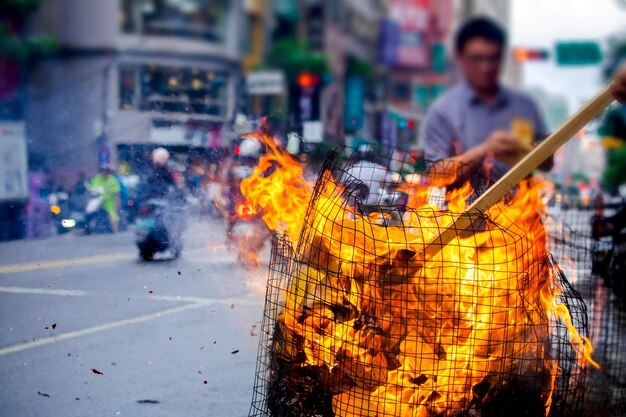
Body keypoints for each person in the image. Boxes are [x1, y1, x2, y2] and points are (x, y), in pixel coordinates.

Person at [421, 17, 552, 185]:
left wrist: (531, 150)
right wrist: (485, 149)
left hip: (519, 208)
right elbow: (435, 174)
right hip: (462, 209)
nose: (486, 67)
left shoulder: (525, 106)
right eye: (477, 59)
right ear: (460, 57)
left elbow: (547, 165)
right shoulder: (442, 111)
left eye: (493, 58)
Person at [89, 164, 121, 232]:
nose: (104, 173)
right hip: (98, 200)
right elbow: (92, 187)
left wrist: (117, 202)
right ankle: (89, 227)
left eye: (106, 171)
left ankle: (114, 229)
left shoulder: (112, 179)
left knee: (112, 215)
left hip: (109, 201)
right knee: (90, 211)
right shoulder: (97, 178)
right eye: (103, 171)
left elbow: (117, 192)